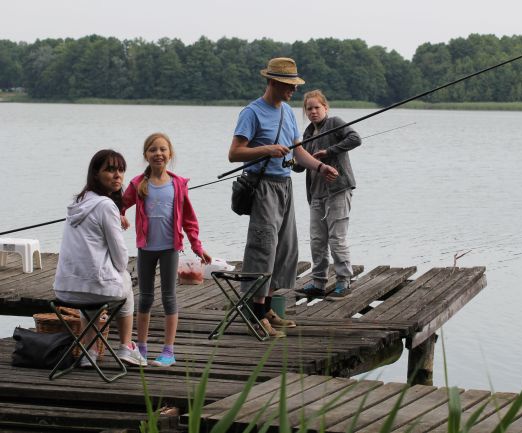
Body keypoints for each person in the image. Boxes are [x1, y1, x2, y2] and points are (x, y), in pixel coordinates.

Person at [228, 57, 338, 337]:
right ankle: (255, 314)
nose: (293, 91)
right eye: (289, 86)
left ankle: (265, 310)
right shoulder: (251, 113)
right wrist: (266, 150)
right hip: (261, 186)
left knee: (285, 250)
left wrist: (320, 166)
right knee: (263, 249)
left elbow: (298, 152)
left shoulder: (288, 112)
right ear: (274, 82)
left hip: (284, 185)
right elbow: (235, 153)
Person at [121, 132, 211, 366]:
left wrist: (197, 247)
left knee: (169, 297)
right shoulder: (138, 184)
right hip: (146, 249)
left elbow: (189, 220)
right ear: (146, 155)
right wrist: (121, 216)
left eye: (162, 149)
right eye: (152, 150)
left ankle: (168, 351)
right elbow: (118, 205)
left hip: (170, 248)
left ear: (170, 154)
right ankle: (140, 348)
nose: (158, 153)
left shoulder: (178, 184)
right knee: (145, 298)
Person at [53, 149, 147, 368]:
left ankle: (89, 353)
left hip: (65, 289)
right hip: (92, 289)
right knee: (123, 281)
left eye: (121, 170)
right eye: (110, 170)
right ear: (95, 174)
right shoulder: (106, 206)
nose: (118, 175)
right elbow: (121, 257)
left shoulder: (79, 203)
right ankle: (126, 347)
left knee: (96, 288)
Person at [295, 90, 361, 299]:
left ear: (325, 107)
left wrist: (329, 151)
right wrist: (287, 160)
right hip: (316, 194)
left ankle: (344, 281)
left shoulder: (334, 123)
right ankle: (318, 282)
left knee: (336, 239)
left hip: (338, 190)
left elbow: (355, 138)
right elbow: (299, 166)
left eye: (317, 107)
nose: (313, 111)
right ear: (305, 111)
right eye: (309, 108)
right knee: (317, 240)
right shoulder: (306, 133)